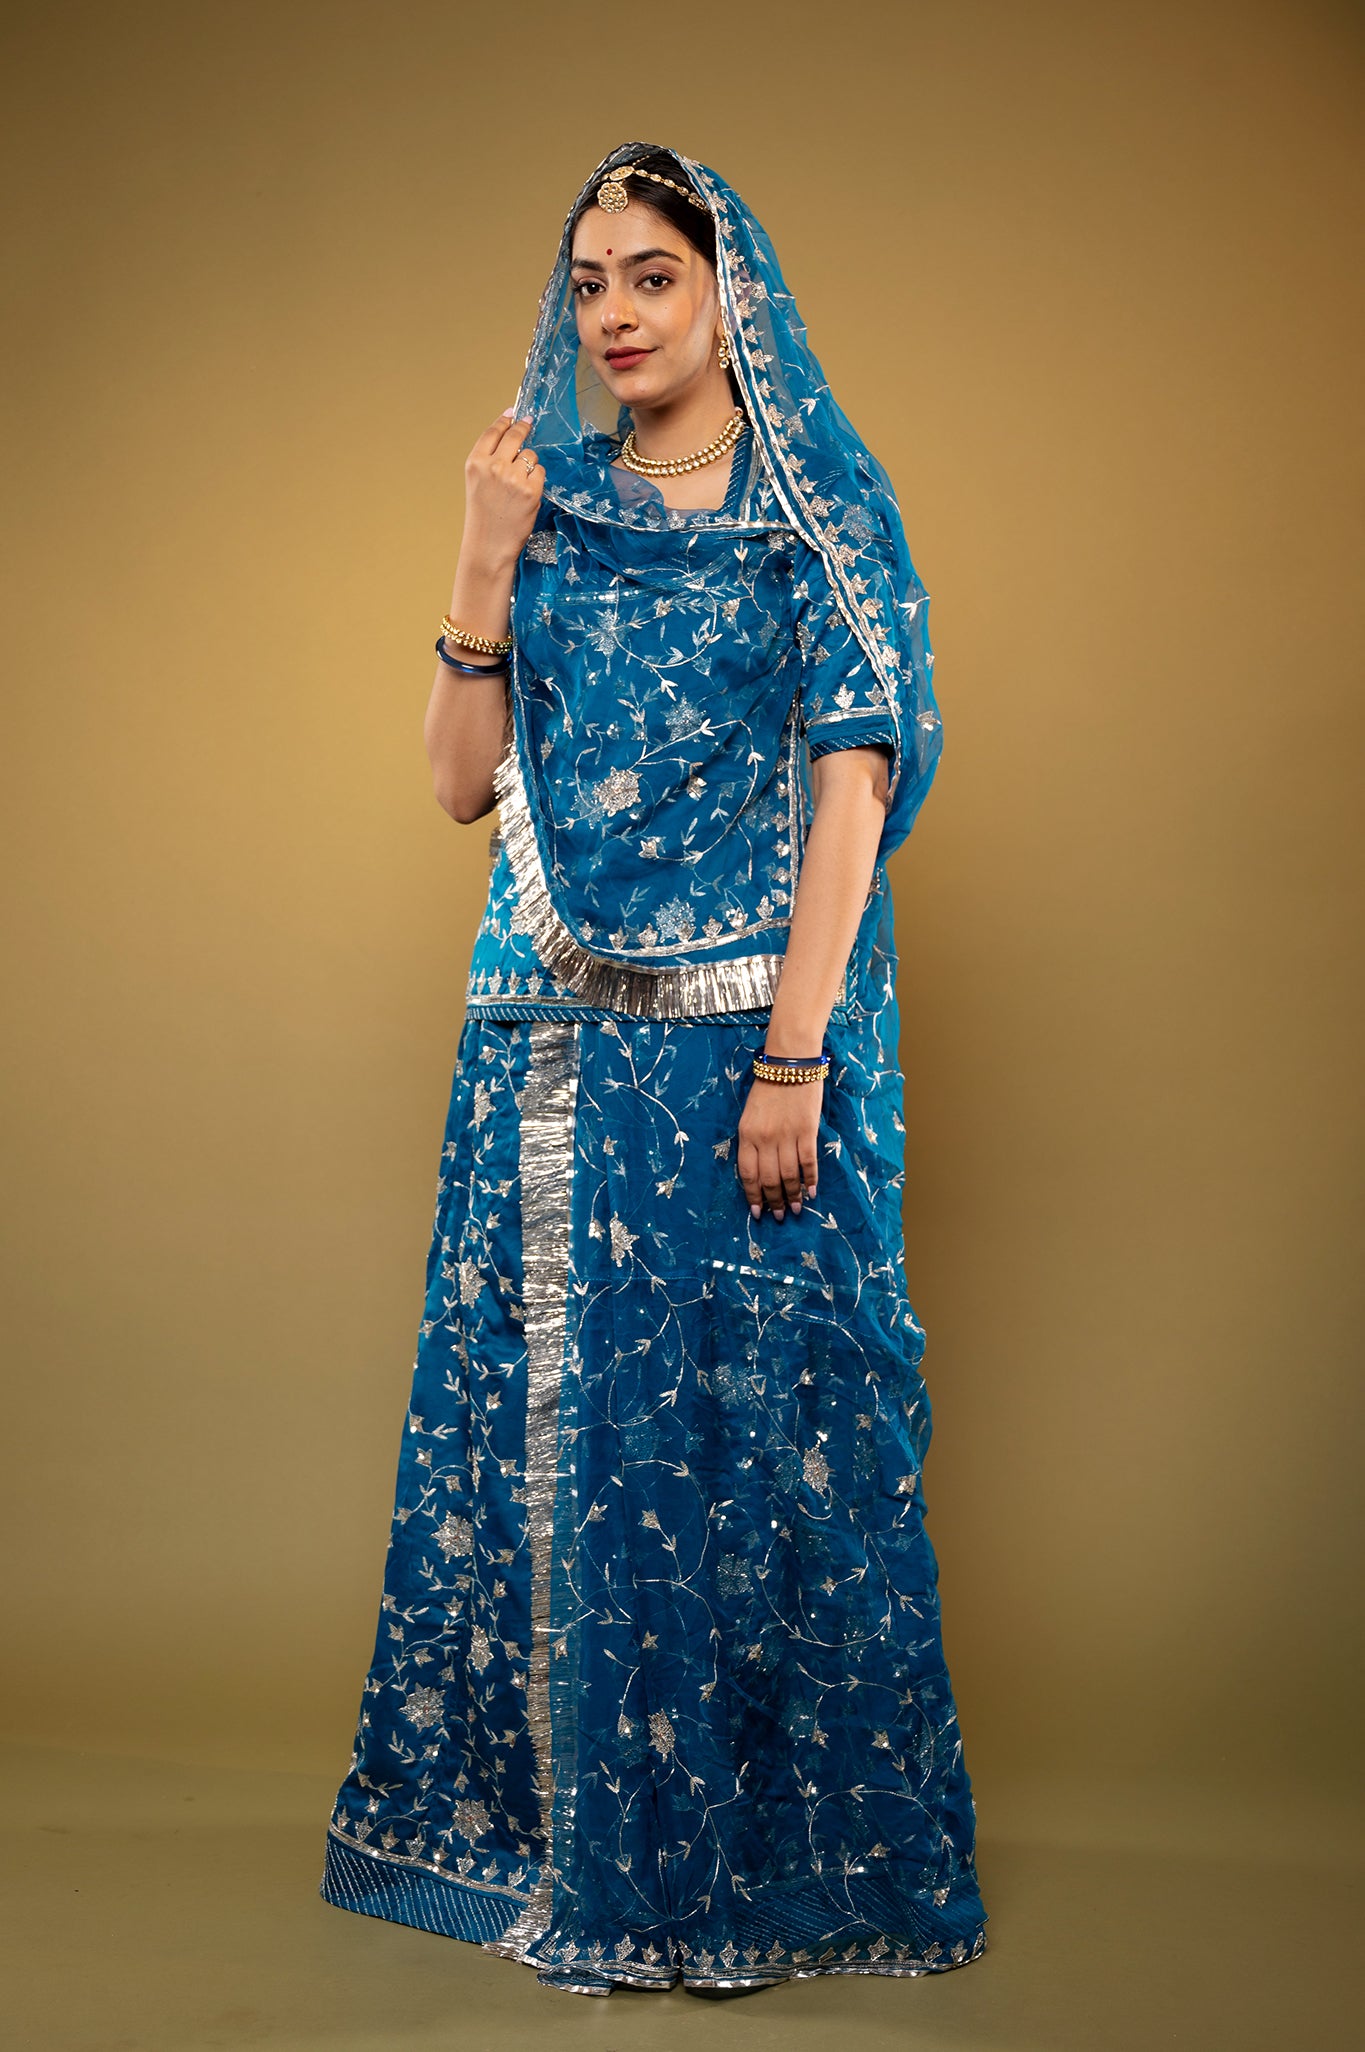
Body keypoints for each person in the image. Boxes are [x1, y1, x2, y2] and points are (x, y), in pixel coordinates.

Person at [319, 141, 989, 1999]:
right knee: (557, 1444)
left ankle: (755, 1870)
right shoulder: (553, 509)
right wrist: (481, 559)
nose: (614, 315)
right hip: (550, 1051)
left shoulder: (817, 514)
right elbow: (459, 783)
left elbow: (851, 794)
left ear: (726, 293)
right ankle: (572, 1847)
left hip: (751, 1054)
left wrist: (793, 1056)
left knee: (772, 1442)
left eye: (652, 277)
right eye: (588, 284)